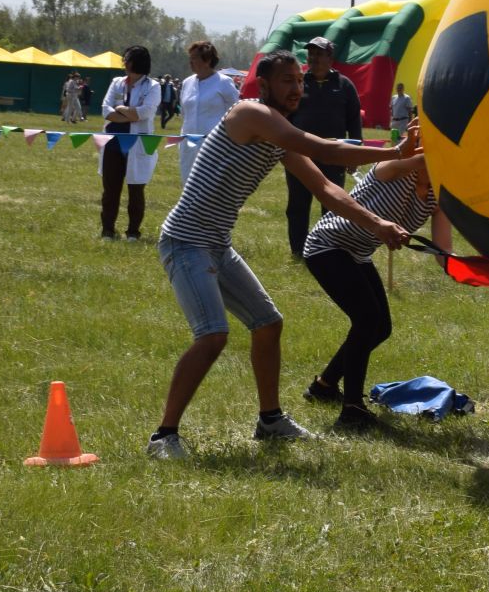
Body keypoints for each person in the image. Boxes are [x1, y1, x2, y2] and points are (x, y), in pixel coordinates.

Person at [148, 52, 412, 461]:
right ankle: (163, 437)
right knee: (213, 335)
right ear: (264, 85)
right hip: (186, 241)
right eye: (287, 80)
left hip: (217, 243)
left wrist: (377, 225)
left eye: (300, 81)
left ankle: (270, 420)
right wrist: (396, 152)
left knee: (268, 324)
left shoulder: (277, 136)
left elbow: (327, 190)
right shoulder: (250, 113)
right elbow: (324, 148)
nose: (296, 88)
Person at [301, 123, 451, 430]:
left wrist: (478, 268)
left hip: (357, 253)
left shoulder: (438, 195)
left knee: (380, 327)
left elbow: (442, 251)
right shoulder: (392, 167)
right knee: (367, 320)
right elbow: (422, 159)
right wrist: (424, 144)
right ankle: (352, 409)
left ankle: (324, 386)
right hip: (327, 245)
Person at [284, 36, 364, 257]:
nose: (314, 58)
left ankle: (328, 248)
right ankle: (298, 250)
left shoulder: (345, 86)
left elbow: (354, 122)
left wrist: (354, 155)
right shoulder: (298, 82)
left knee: (332, 203)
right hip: (301, 154)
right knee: (297, 205)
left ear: (330, 57)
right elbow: (287, 117)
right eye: (311, 53)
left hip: (333, 156)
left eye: (319, 54)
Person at [99, 45, 163, 240]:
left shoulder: (152, 86)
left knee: (136, 188)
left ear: (136, 61)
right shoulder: (116, 82)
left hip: (138, 142)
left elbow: (145, 113)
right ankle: (108, 230)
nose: (123, 62)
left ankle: (133, 232)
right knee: (110, 189)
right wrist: (129, 114)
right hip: (113, 141)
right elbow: (105, 110)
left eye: (126, 59)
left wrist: (120, 109)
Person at [178, 40, 239, 184]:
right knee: (187, 183)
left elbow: (236, 112)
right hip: (187, 142)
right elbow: (184, 113)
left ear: (208, 60)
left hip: (215, 145)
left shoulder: (224, 82)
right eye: (190, 58)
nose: (190, 62)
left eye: (194, 58)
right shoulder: (187, 82)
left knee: (210, 187)